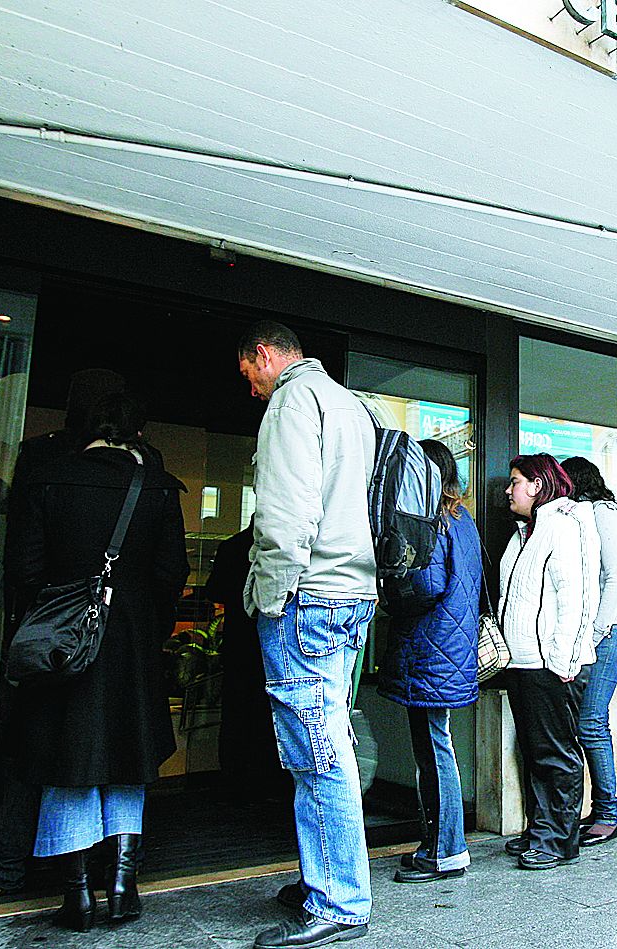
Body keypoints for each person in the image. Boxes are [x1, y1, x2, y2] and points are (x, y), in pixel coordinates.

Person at [7, 392, 188, 930]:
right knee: (128, 759)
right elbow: (170, 573)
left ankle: (78, 895)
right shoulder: (156, 486)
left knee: (69, 763)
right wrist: (142, 623)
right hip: (132, 639)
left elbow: (24, 569)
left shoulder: (47, 479)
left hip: (65, 640)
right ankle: (123, 885)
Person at [238, 321, 378, 949]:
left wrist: (269, 599)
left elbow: (286, 514)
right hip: (350, 593)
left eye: (249, 375)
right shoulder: (353, 405)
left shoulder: (293, 401)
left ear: (264, 355)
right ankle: (328, 878)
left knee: (315, 755)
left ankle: (339, 900)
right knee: (332, 742)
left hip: (308, 596)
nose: (252, 390)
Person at [0, 368, 129, 899]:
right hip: (118, 639)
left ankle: (7, 872)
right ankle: (114, 877)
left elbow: (18, 561)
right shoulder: (141, 468)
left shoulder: (40, 457)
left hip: (45, 629)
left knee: (29, 751)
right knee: (111, 754)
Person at [377, 440, 479, 883]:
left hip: (431, 648)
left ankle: (446, 851)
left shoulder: (434, 520)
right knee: (436, 744)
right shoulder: (463, 519)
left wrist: (389, 590)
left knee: (434, 748)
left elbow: (428, 585)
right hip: (444, 648)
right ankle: (439, 844)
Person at [498, 453, 598, 869]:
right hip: (522, 661)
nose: (508, 489)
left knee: (556, 753)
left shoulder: (565, 522)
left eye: (516, 481)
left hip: (552, 664)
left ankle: (559, 840)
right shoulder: (527, 531)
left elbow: (576, 596)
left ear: (537, 486)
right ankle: (539, 829)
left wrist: (565, 659)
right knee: (534, 752)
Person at [560, 456, 617, 846]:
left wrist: (595, 631)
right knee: (584, 724)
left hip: (611, 634)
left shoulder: (604, 513)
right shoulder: (579, 514)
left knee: (590, 723)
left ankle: (608, 814)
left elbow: (616, 576)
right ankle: (599, 809)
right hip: (593, 635)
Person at [207, 522, 287, 803]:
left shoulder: (231, 546)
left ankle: (235, 778)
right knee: (270, 715)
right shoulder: (279, 547)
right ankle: (271, 780)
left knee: (237, 711)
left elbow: (214, 592)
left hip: (238, 643)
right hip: (274, 644)